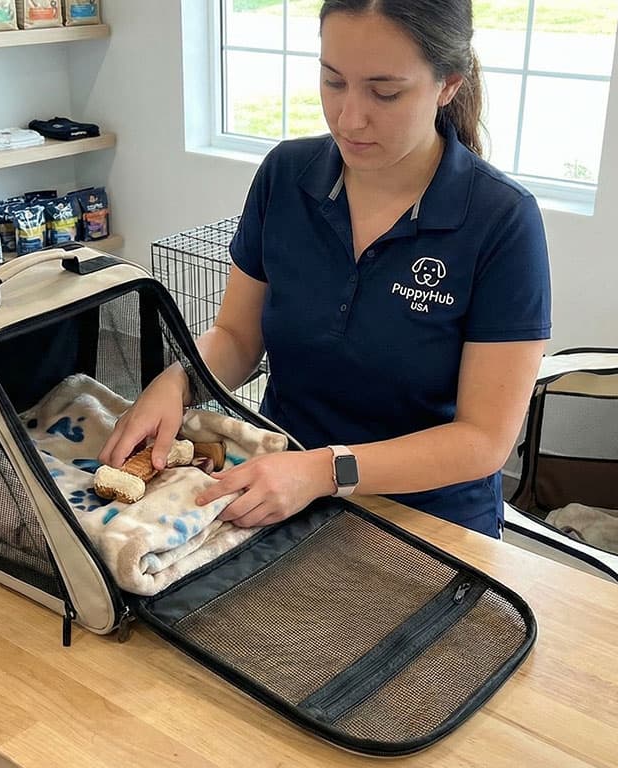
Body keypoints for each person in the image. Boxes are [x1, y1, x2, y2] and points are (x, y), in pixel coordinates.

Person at [100, 0, 551, 538]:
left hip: (426, 521)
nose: (349, 118)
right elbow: (238, 336)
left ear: (448, 85)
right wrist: (178, 381)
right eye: (333, 81)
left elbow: (482, 441)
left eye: (385, 93)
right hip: (277, 486)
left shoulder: (501, 220)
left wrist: (325, 471)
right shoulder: (286, 175)